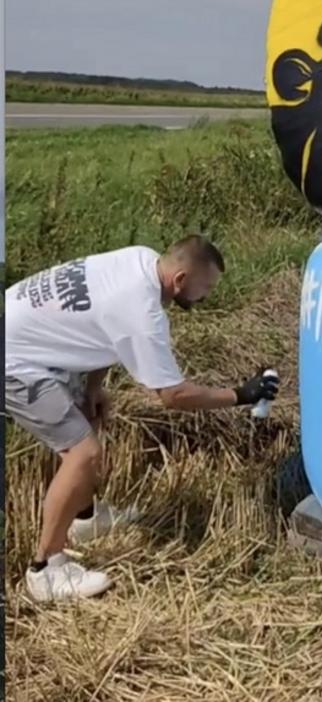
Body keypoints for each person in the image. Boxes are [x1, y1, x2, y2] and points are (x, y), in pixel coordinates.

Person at [5, 235, 280, 603]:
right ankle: (45, 570)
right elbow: (173, 395)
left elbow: (99, 322)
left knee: (88, 425)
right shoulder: (143, 312)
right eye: (207, 287)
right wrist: (240, 396)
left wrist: (93, 388)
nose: (208, 296)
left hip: (30, 335)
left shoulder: (140, 260)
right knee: (82, 453)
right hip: (17, 363)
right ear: (180, 279)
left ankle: (84, 520)